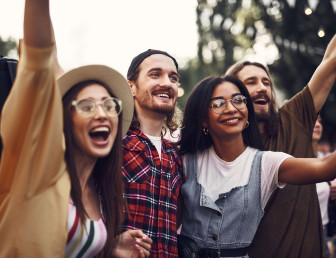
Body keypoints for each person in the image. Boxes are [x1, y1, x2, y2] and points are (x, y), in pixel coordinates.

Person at [0, 0, 151, 257]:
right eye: (87, 106)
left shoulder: (99, 189)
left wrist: (108, 249)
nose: (102, 113)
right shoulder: (38, 166)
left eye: (109, 105)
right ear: (64, 119)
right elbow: (38, 61)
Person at [178, 75, 336, 258]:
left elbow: (325, 167)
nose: (231, 108)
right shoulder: (185, 162)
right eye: (218, 103)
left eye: (238, 101)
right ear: (203, 119)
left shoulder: (266, 164)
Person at [225, 35, 336, 258]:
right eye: (251, 82)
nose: (262, 88)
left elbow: (331, 60)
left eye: (266, 82)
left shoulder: (293, 118)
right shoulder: (225, 147)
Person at [122, 49, 184, 257]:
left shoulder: (175, 155)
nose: (167, 83)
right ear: (131, 86)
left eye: (173, 77)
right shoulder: (113, 144)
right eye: (155, 74)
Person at [313, 116, 331, 258]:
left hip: (323, 231)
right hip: (300, 233)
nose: (317, 125)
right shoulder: (288, 159)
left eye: (320, 121)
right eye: (313, 121)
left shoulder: (324, 158)